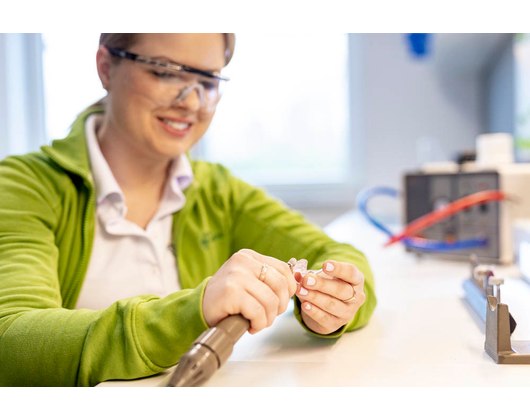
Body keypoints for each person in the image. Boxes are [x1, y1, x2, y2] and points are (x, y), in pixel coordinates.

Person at [0, 33, 376, 387]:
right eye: (165, 72)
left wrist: (333, 301)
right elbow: (11, 340)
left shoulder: (217, 190)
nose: (192, 102)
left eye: (209, 81)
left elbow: (342, 259)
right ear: (106, 67)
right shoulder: (24, 185)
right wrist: (193, 311)